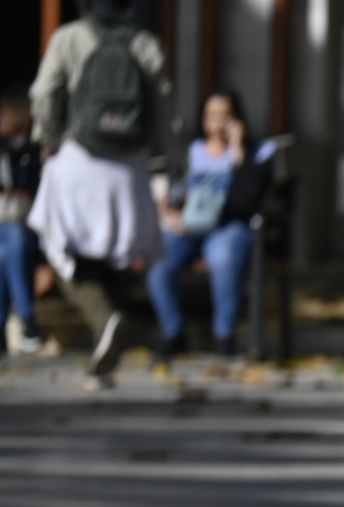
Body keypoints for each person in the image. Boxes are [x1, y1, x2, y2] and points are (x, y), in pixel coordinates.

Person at [29, 0, 178, 390]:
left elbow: (45, 92)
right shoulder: (147, 43)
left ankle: (105, 321)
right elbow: (164, 109)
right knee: (118, 254)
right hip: (129, 164)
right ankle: (105, 358)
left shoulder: (69, 38)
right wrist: (166, 161)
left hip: (80, 155)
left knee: (60, 250)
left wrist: (49, 138)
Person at [146, 89, 277, 361]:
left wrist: (238, 153)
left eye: (225, 116)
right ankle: (174, 334)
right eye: (212, 115)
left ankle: (224, 336)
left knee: (223, 257)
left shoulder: (256, 152)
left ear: (238, 119)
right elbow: (171, 192)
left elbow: (247, 200)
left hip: (230, 226)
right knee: (159, 262)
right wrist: (171, 214)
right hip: (190, 229)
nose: (217, 122)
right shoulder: (190, 153)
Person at [0, 87, 46, 358]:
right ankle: (27, 321)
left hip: (27, 224)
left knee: (12, 242)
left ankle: (16, 322)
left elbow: (32, 188)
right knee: (4, 251)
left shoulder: (33, 151)